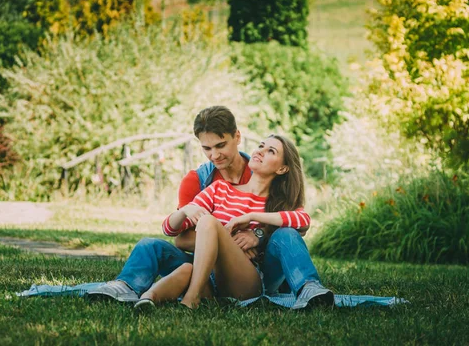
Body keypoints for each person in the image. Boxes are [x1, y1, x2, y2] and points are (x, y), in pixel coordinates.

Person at [87, 106, 333, 308]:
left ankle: (309, 290)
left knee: (284, 233)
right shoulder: (215, 187)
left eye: (271, 151)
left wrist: (255, 225)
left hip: (247, 279)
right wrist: (188, 214)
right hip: (208, 271)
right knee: (149, 245)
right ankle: (126, 287)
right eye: (261, 146)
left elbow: (303, 221)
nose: (214, 156)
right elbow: (172, 233)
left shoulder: (278, 199)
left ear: (237, 138)